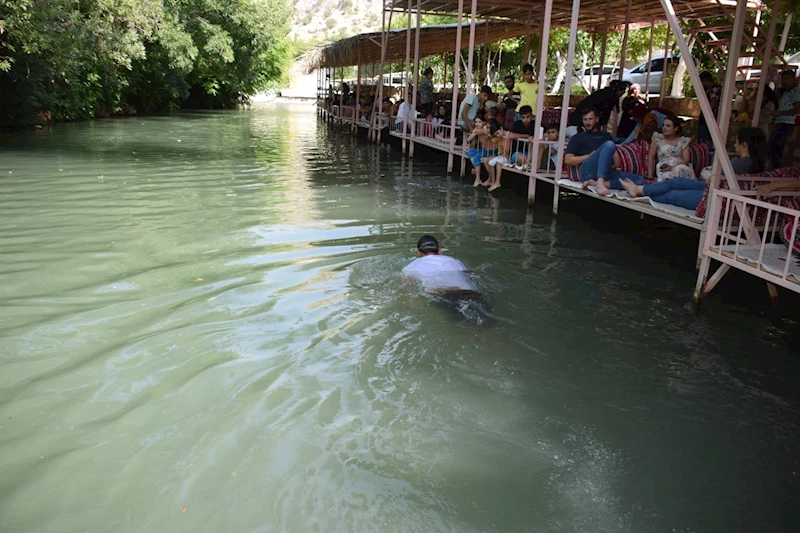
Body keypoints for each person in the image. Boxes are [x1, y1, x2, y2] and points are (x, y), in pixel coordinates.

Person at [619, 127, 769, 211]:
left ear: (744, 145)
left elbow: (712, 180)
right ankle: (639, 189)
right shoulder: (758, 164)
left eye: (736, 143)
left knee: (671, 192)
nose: (734, 146)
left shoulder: (738, 163)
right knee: (676, 182)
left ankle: (639, 190)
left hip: (710, 198)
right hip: (715, 193)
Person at [565, 107, 645, 196]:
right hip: (588, 170)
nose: (587, 122)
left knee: (639, 180)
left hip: (607, 171)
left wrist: (616, 166)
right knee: (609, 144)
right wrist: (589, 156)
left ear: (597, 119)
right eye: (585, 120)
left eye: (590, 119)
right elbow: (568, 160)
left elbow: (615, 157)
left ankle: (597, 183)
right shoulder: (578, 137)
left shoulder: (605, 135)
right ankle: (600, 182)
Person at [402, 235, 478, 298]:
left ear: (418, 252)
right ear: (439, 251)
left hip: (440, 293)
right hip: (468, 292)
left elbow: (407, 285)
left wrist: (412, 299)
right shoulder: (455, 261)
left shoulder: (411, 266)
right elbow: (471, 276)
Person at [647, 114, 695, 181]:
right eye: (663, 125)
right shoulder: (658, 138)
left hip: (680, 166)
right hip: (664, 168)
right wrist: (650, 175)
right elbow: (651, 157)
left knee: (679, 169)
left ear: (676, 128)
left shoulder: (683, 141)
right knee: (668, 177)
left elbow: (686, 160)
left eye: (668, 126)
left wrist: (673, 167)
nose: (664, 128)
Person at [770, 69, 800, 170]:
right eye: (783, 80)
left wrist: (781, 113)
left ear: (793, 79)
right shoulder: (786, 92)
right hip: (781, 122)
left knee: (778, 147)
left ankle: (778, 169)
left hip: (786, 123)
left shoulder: (795, 92)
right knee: (775, 147)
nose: (784, 82)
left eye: (787, 79)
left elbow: (798, 109)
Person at [697, 71, 722, 143]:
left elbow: (712, 104)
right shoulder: (711, 89)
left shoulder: (714, 89)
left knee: (704, 139)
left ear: (705, 80)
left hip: (709, 118)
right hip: (709, 117)